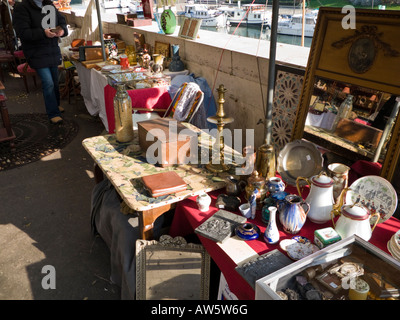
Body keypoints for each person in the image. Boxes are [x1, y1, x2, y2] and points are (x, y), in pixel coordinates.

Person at [13, 0, 68, 124]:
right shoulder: (22, 8)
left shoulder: (49, 5)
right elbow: (22, 32)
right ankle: (53, 113)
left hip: (52, 49)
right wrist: (43, 33)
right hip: (36, 51)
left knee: (54, 80)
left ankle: (56, 105)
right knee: (48, 82)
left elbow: (61, 21)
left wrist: (62, 30)